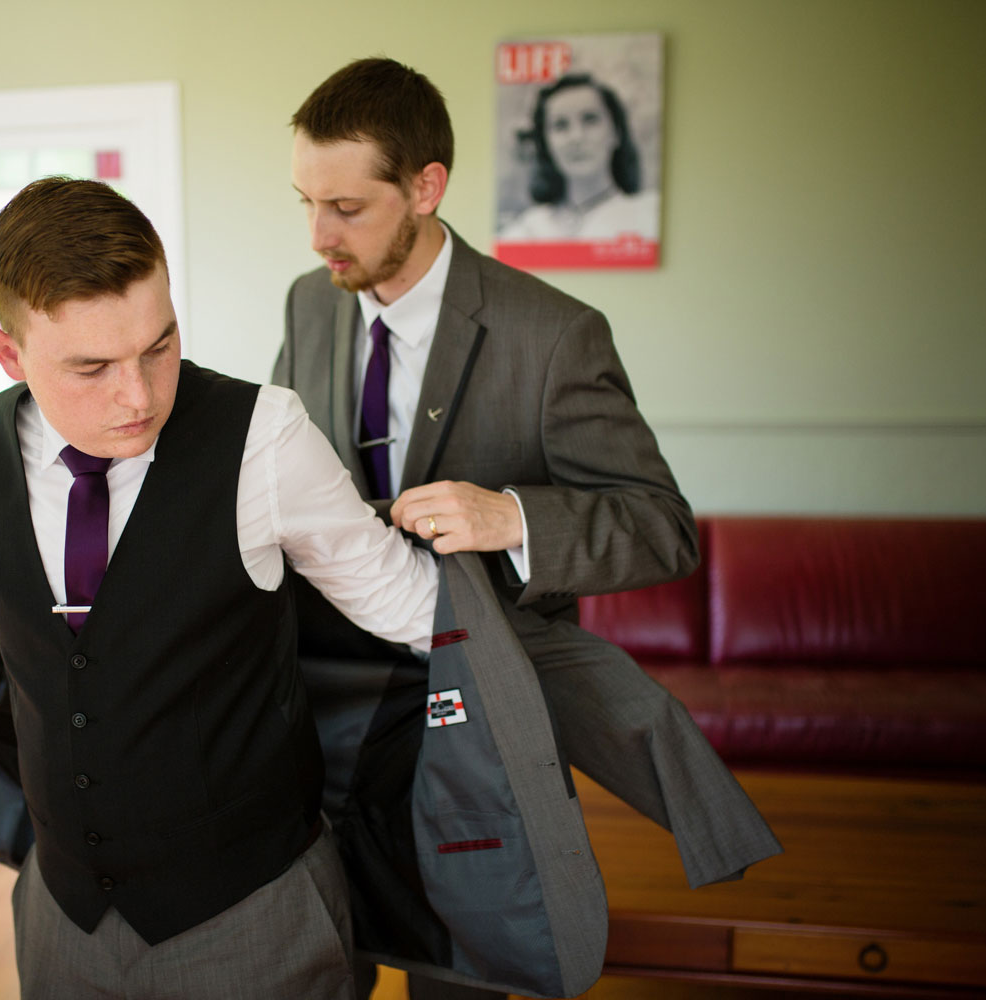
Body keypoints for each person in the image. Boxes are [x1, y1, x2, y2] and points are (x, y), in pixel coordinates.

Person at [275, 58, 778, 1000]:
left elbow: (663, 529)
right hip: (330, 709)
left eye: (346, 207)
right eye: (305, 201)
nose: (318, 235)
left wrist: (509, 516)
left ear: (427, 187)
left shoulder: (555, 335)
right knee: (322, 951)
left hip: (480, 718)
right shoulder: (311, 303)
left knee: (463, 965)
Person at [0, 175, 440, 999]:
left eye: (159, 345)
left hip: (250, 920)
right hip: (59, 917)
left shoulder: (266, 437)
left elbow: (416, 610)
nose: (139, 396)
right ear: (9, 355)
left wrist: (525, 534)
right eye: (92, 366)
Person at [497, 71, 660, 242]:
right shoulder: (526, 231)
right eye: (560, 125)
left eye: (590, 120)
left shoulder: (648, 215)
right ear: (545, 143)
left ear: (616, 133)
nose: (576, 137)